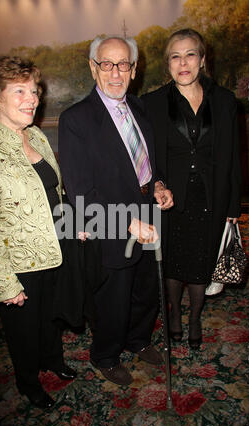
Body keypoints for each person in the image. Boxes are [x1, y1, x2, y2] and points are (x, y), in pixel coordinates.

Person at [0, 56, 79, 410]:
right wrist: (4, 283)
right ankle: (28, 382)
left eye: (35, 91)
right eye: (20, 91)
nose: (32, 99)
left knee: (51, 318)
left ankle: (53, 360)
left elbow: (55, 195)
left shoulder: (37, 136)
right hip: (18, 263)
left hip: (54, 250)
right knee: (23, 332)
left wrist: (72, 228)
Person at [58, 35, 173, 386]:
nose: (115, 72)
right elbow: (80, 193)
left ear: (134, 69)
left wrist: (158, 186)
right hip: (112, 226)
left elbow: (146, 164)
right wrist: (128, 223)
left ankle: (138, 341)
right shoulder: (75, 120)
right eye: (106, 64)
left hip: (149, 216)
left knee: (146, 290)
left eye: (123, 64)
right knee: (114, 299)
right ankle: (105, 355)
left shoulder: (139, 108)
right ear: (94, 68)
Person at [141, 29, 241, 349]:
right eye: (175, 56)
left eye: (190, 54)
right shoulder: (152, 104)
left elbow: (233, 158)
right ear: (168, 63)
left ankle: (195, 316)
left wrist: (233, 209)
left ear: (202, 59)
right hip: (172, 198)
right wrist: (156, 183)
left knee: (201, 262)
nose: (183, 62)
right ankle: (173, 316)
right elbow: (145, 157)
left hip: (211, 197)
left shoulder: (224, 101)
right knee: (172, 260)